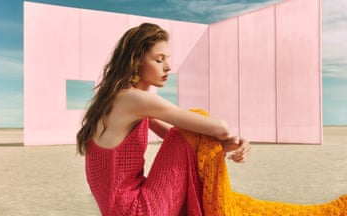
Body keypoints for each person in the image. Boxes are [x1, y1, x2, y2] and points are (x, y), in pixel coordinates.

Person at [77, 23, 346, 216]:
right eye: (159, 60)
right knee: (197, 117)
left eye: (167, 59)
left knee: (189, 127)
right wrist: (227, 136)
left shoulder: (114, 98)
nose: (168, 67)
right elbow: (215, 127)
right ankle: (221, 207)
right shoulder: (135, 99)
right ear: (136, 61)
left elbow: (178, 136)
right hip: (137, 210)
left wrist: (222, 146)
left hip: (121, 208)